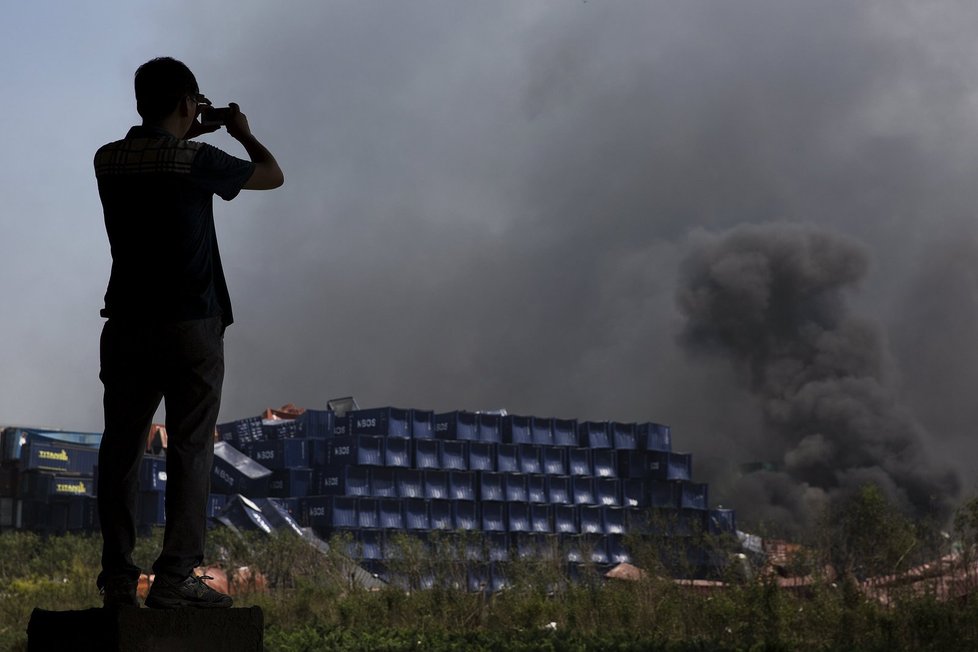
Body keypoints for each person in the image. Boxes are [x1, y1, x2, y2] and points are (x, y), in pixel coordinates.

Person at [93, 57, 283, 608]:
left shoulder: (108, 159)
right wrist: (241, 132)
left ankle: (119, 578)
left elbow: (155, 151)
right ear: (187, 103)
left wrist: (183, 124)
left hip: (126, 324)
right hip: (191, 328)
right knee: (191, 448)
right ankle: (176, 576)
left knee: (121, 450)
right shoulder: (198, 160)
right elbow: (273, 174)